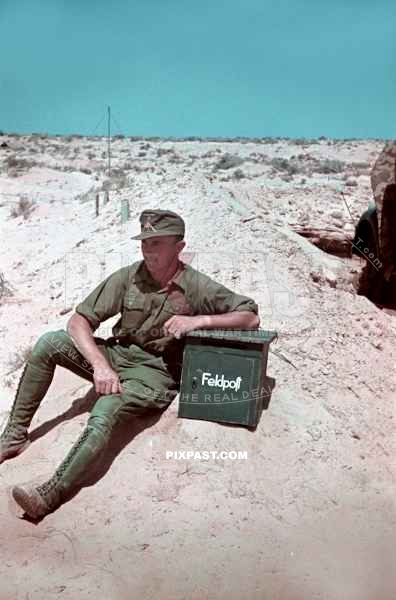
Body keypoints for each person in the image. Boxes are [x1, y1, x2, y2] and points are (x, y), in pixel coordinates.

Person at [1, 208, 260, 519]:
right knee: (48, 343)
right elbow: (79, 321)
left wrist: (199, 320)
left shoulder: (196, 286)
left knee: (106, 407)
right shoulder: (129, 277)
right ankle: (15, 436)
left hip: (155, 375)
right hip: (118, 356)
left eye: (157, 244)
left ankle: (49, 495)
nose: (148, 251)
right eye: (145, 243)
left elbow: (250, 316)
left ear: (179, 248)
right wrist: (100, 365)